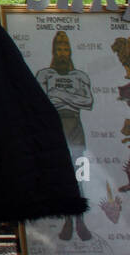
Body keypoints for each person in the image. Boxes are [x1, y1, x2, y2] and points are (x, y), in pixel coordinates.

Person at [35, 31, 95, 241]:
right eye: (59, 49)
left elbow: (88, 102)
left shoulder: (79, 76)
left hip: (76, 129)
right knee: (56, 172)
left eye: (66, 49)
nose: (62, 53)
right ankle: (66, 221)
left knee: (80, 175)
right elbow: (43, 100)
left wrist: (60, 95)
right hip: (54, 128)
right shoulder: (45, 75)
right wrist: (69, 98)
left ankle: (80, 220)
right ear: (54, 51)